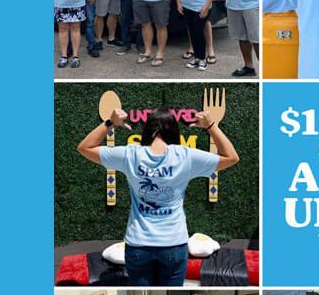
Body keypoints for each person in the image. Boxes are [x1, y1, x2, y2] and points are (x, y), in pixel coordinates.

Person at [76, 106, 239, 285]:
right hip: (173, 244)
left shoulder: (131, 154)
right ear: (173, 131)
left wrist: (110, 123)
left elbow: (84, 147)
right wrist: (211, 127)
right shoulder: (185, 156)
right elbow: (231, 157)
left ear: (147, 130)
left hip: (138, 244)